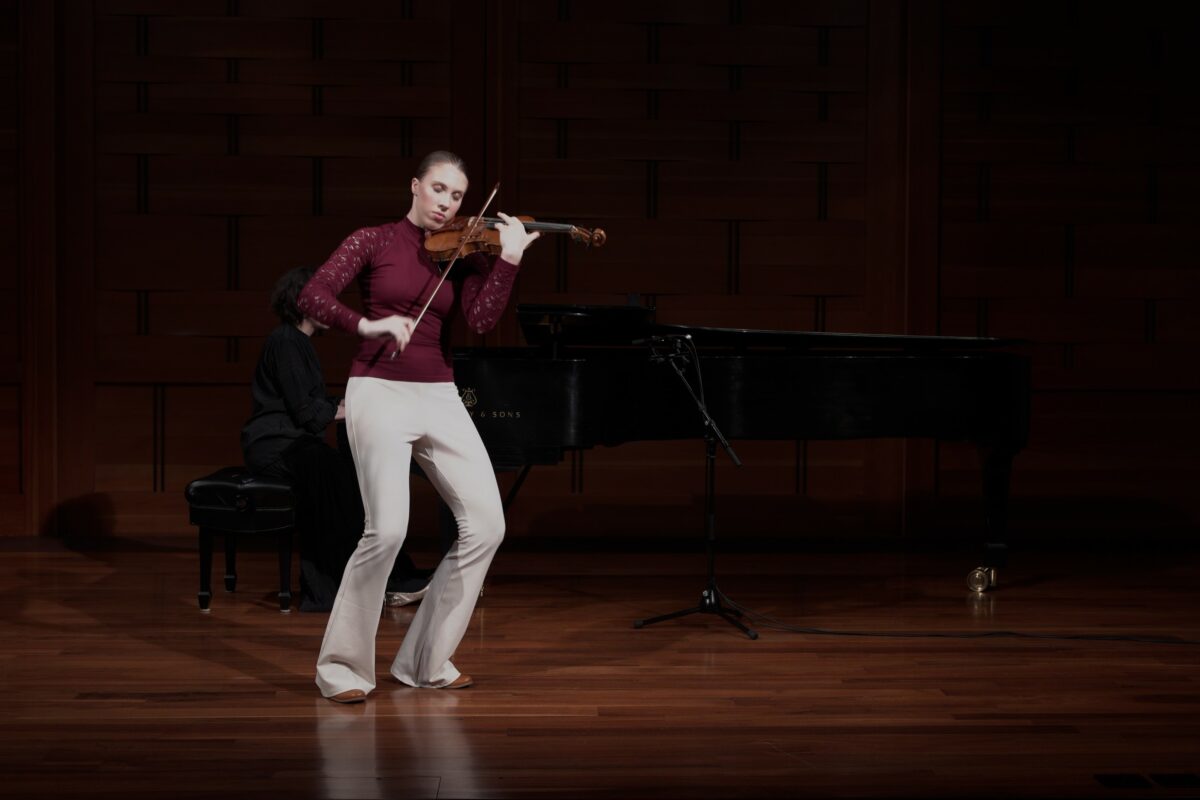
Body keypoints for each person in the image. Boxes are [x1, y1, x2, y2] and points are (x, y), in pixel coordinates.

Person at [298, 150, 540, 703]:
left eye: (457, 196)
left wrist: (508, 259)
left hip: (439, 393)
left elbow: (479, 320)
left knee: (486, 524)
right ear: (415, 186)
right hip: (378, 390)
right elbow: (312, 295)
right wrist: (368, 323)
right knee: (386, 530)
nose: (447, 204)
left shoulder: (465, 255)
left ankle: (426, 660)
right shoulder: (374, 240)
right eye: (439, 190)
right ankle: (341, 669)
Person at [241, 267, 431, 612]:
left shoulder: (296, 342)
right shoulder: (286, 340)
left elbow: (315, 405)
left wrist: (349, 405)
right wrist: (357, 406)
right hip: (275, 445)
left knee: (347, 479)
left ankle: (387, 578)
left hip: (293, 444)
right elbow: (307, 412)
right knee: (340, 480)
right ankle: (353, 586)